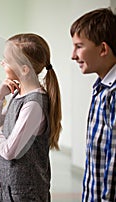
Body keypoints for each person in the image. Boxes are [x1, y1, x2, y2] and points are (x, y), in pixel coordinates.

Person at [0, 33, 62, 201]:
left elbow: (8, 151)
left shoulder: (34, 105)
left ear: (24, 69)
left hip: (24, 193)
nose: (2, 62)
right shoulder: (18, 96)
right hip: (5, 185)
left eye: (7, 60)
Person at [70, 8, 116, 201]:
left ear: (103, 49)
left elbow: (114, 162)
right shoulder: (100, 88)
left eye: (79, 46)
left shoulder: (113, 94)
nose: (73, 55)